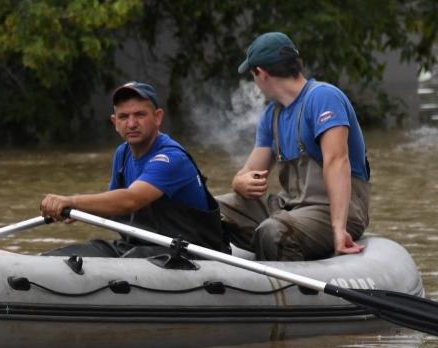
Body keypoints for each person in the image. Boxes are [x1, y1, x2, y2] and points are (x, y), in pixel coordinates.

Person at [216, 32, 371, 262]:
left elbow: (337, 161)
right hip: (289, 207)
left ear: (261, 73)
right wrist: (239, 183)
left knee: (273, 231)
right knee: (210, 209)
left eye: (252, 75)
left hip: (335, 211)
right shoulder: (271, 115)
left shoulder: (323, 97)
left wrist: (338, 229)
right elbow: (247, 172)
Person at [39, 82, 228, 257]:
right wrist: (82, 210)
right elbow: (114, 205)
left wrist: (72, 200)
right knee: (72, 253)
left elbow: (132, 200)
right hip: (143, 248)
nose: (131, 124)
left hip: (191, 254)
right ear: (114, 122)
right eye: (123, 117)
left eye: (139, 115)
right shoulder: (122, 154)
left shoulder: (171, 158)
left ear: (158, 117)